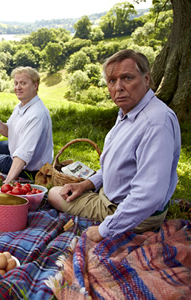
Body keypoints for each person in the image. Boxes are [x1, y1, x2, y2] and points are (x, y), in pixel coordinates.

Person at [48, 49, 181, 242]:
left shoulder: (155, 122)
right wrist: (86, 185)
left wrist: (104, 230)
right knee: (64, 191)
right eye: (111, 80)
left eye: (127, 78)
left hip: (133, 213)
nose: (118, 87)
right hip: (112, 197)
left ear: (146, 79)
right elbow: (118, 166)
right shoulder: (129, 112)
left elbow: (149, 194)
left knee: (53, 194)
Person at [0, 66, 53, 183]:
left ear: (35, 85)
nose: (18, 87)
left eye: (23, 83)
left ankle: (3, 162)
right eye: (16, 83)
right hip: (17, 146)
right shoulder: (21, 106)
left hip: (31, 168)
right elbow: (9, 132)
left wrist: (7, 182)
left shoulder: (37, 115)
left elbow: (23, 154)